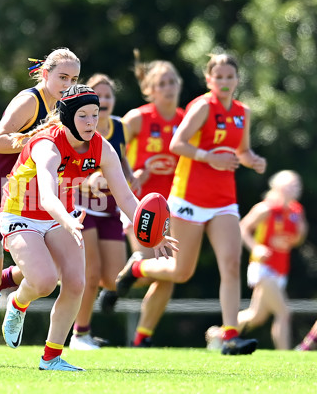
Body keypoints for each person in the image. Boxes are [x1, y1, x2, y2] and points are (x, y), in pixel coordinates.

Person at [0, 84, 178, 371]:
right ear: (68, 116)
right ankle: (18, 303)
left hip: (63, 215)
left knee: (76, 283)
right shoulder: (48, 145)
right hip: (22, 213)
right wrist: (67, 219)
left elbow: (126, 197)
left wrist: (152, 234)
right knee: (44, 282)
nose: (91, 122)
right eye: (83, 116)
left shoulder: (101, 147)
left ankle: (51, 358)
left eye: (95, 115)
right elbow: (47, 197)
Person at [115, 53, 267, 355]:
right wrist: (211, 157)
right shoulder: (201, 107)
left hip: (224, 199)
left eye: (229, 77)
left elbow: (243, 150)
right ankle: (139, 268)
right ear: (209, 80)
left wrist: (253, 160)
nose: (224, 82)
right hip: (189, 198)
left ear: (237, 80)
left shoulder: (242, 112)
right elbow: (177, 144)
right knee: (181, 272)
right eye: (218, 77)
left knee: (231, 265)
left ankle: (230, 335)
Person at [0, 48, 80, 367]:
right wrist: (35, 136)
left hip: (23, 206)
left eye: (74, 79)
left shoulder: (65, 110)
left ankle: (5, 282)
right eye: (62, 77)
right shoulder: (30, 101)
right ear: (45, 74)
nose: (68, 84)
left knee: (54, 271)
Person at [102, 51, 185, 348]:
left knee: (169, 275)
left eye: (172, 81)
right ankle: (121, 278)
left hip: (174, 207)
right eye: (161, 83)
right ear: (149, 89)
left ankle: (142, 339)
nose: (168, 87)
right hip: (139, 204)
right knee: (156, 264)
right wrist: (137, 173)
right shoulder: (137, 118)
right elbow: (112, 152)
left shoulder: (186, 120)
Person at [69, 74, 139, 350]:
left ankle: (82, 324)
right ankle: (79, 334)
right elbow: (72, 168)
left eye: (108, 95)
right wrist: (90, 182)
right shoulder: (80, 128)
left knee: (113, 278)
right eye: (99, 95)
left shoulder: (120, 127)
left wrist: (131, 175)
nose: (105, 100)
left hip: (111, 208)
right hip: (83, 206)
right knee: (91, 270)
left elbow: (121, 160)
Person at [206, 170, 307, 350]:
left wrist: (300, 227)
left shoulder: (296, 210)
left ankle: (217, 334)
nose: (296, 188)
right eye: (291, 184)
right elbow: (243, 228)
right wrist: (256, 247)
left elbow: (298, 239)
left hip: (280, 269)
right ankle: (286, 356)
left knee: (256, 316)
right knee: (283, 312)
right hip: (263, 268)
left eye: (297, 184)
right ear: (277, 186)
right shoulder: (265, 208)